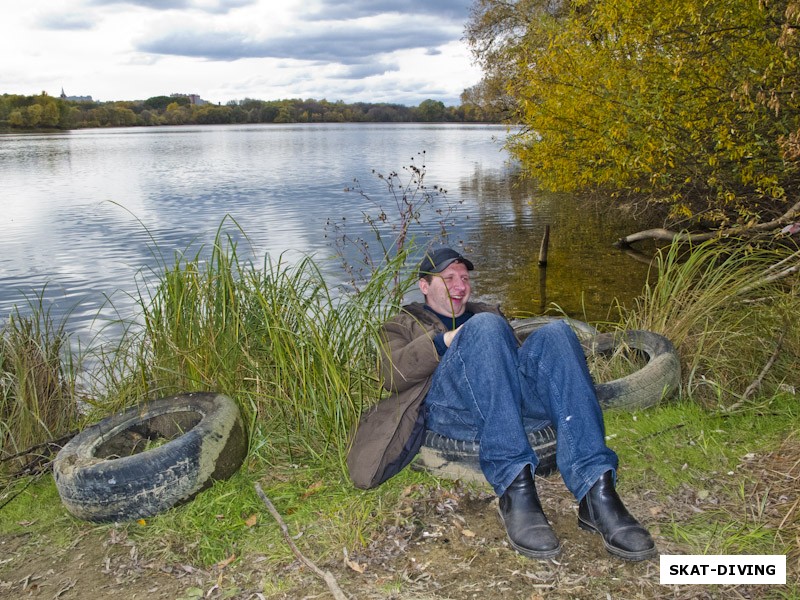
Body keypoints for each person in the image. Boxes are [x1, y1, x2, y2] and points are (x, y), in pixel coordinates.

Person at [347, 247, 656, 561]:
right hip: (450, 411)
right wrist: (447, 340)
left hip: (506, 404)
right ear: (425, 286)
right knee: (484, 328)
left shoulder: (489, 312)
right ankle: (515, 486)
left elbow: (518, 366)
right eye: (449, 278)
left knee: (557, 333)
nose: (460, 285)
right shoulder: (401, 324)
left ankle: (597, 491)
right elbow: (391, 374)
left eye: (465, 278)